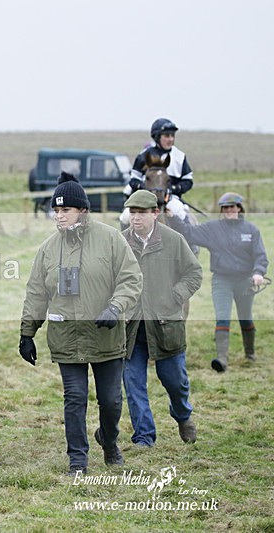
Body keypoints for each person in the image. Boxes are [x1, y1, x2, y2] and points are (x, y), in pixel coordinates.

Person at [20, 173, 142, 475]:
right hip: (67, 336)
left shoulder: (110, 238)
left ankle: (110, 440)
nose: (59, 216)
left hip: (106, 335)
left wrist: (116, 308)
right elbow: (36, 291)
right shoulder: (48, 248)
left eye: (66, 210)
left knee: (111, 400)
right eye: (56, 211)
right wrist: (27, 332)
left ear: (83, 211)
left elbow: (131, 279)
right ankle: (77, 459)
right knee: (74, 398)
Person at [121, 190, 202, 447]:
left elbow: (194, 273)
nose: (136, 218)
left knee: (175, 382)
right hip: (131, 329)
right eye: (132, 213)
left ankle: (182, 415)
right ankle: (144, 437)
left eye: (142, 213)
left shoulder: (174, 240)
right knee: (133, 386)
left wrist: (175, 295)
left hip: (166, 327)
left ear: (155, 213)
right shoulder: (119, 243)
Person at [167, 192, 268, 372]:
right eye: (225, 207)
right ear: (222, 210)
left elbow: (260, 256)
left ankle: (250, 353)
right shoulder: (213, 228)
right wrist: (174, 218)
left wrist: (258, 273)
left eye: (232, 207)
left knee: (246, 318)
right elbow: (189, 233)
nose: (229, 210)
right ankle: (222, 360)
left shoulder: (251, 230)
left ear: (239, 208)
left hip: (245, 281)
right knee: (223, 317)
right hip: (222, 280)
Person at [120, 118, 194, 226]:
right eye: (167, 136)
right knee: (126, 216)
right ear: (157, 137)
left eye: (172, 136)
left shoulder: (180, 156)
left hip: (169, 198)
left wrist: (175, 188)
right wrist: (142, 187)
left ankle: (189, 242)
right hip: (145, 198)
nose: (171, 139)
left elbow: (188, 180)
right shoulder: (144, 155)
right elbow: (134, 178)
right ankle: (124, 242)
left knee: (180, 213)